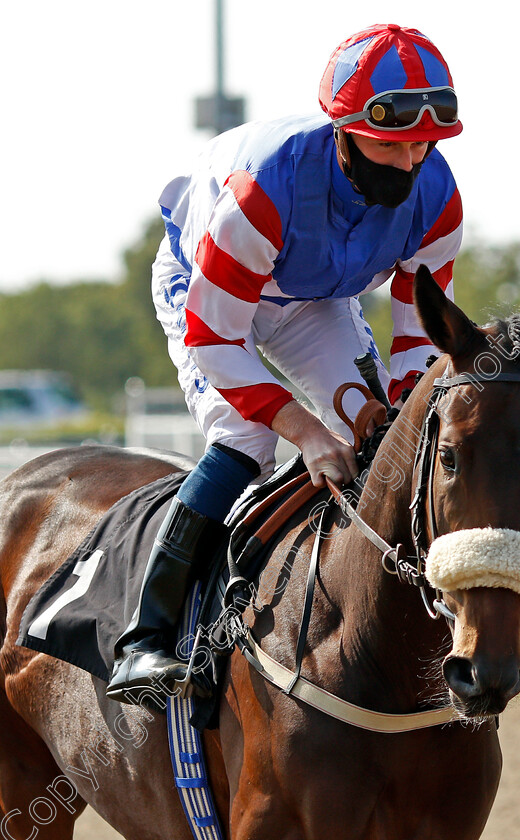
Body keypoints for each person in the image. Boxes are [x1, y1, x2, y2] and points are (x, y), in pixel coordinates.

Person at [106, 23, 464, 705]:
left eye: (424, 143)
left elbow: (419, 333)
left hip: (312, 299)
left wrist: (374, 408)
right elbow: (217, 338)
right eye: (390, 142)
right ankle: (144, 640)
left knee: (383, 434)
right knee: (248, 440)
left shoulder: (438, 196)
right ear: (343, 130)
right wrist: (302, 429)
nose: (409, 160)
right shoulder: (261, 190)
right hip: (206, 292)